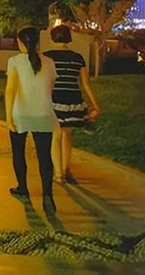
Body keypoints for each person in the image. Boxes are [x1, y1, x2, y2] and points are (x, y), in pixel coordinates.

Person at [5, 27, 59, 214]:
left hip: (20, 113)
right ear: (38, 43)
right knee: (45, 157)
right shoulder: (50, 62)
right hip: (44, 113)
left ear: (20, 42)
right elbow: (50, 87)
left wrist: (8, 116)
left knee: (18, 153)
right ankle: (47, 195)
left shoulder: (15, 62)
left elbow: (10, 89)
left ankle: (23, 188)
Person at [44, 25, 100, 184]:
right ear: (69, 38)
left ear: (52, 37)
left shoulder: (46, 58)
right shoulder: (78, 58)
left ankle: (57, 174)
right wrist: (94, 103)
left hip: (53, 99)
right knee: (67, 135)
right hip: (73, 99)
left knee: (55, 136)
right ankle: (66, 169)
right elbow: (85, 83)